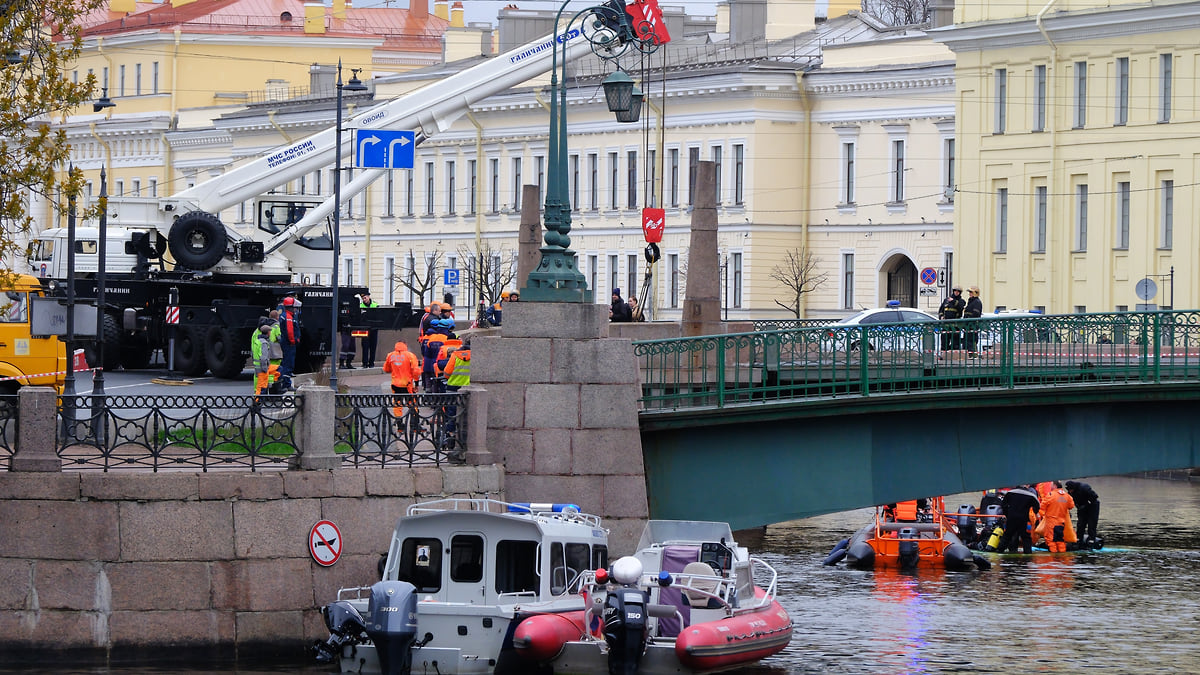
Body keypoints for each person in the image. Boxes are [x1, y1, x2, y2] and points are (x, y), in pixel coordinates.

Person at [383, 340, 420, 427]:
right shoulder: (410, 355)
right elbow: (416, 371)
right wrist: (417, 383)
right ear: (405, 345)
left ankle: (399, 424)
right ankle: (415, 425)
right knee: (412, 404)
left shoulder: (390, 355)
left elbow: (386, 369)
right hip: (407, 384)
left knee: (397, 404)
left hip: (395, 384)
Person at [997, 485, 1040, 554]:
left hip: (1011, 518)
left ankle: (999, 551)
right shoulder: (1031, 495)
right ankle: (1028, 554)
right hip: (1024, 519)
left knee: (1007, 535)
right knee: (1026, 537)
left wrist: (1007, 514)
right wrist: (1034, 513)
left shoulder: (1010, 493)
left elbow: (1003, 505)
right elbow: (1037, 506)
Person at [1039, 481, 1076, 553]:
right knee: (1060, 540)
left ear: (1055, 486)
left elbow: (1042, 507)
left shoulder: (1050, 495)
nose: (1050, 487)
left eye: (1052, 485)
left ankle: (1053, 557)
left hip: (1051, 522)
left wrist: (1043, 515)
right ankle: (1062, 555)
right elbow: (1071, 506)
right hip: (1061, 522)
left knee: (1050, 540)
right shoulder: (1067, 496)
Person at [250, 320, 282, 399]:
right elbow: (263, 357)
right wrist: (265, 368)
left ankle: (275, 388)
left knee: (279, 369)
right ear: (268, 333)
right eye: (270, 332)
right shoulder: (264, 343)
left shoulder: (258, 340)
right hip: (262, 368)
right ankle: (257, 404)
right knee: (261, 388)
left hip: (260, 367)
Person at [1064, 480, 1100, 548]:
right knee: (1080, 523)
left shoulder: (1084, 488)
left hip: (1092, 506)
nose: (1070, 491)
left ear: (1073, 488)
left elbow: (1095, 497)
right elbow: (1069, 502)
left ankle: (1091, 539)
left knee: (1091, 523)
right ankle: (1079, 539)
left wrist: (1087, 503)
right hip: (1081, 508)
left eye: (1071, 490)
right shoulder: (1070, 493)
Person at [277, 295, 302, 390]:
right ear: (290, 307)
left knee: (286, 363)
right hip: (289, 344)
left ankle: (284, 383)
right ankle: (286, 385)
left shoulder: (284, 315)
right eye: (294, 307)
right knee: (288, 363)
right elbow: (290, 331)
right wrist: (293, 341)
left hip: (286, 343)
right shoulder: (288, 317)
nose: (296, 309)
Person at [938, 285, 966, 350]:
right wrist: (941, 316)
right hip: (946, 325)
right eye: (955, 291)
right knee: (944, 342)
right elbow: (941, 309)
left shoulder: (961, 301)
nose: (956, 293)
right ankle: (944, 356)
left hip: (955, 326)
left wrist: (953, 301)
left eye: (958, 292)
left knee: (955, 344)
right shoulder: (946, 300)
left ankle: (954, 357)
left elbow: (960, 307)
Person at [359, 291, 379, 368]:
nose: (364, 299)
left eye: (365, 298)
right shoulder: (360, 306)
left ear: (369, 296)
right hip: (365, 329)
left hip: (374, 329)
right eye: (363, 298)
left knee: (373, 346)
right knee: (365, 346)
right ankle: (364, 363)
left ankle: (371, 363)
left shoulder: (375, 305)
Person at [963, 285, 983, 356]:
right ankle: (968, 356)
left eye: (971, 292)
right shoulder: (971, 302)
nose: (969, 294)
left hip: (972, 326)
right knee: (966, 342)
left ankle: (973, 356)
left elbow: (975, 314)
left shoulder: (977, 302)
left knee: (972, 342)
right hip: (967, 326)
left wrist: (968, 319)